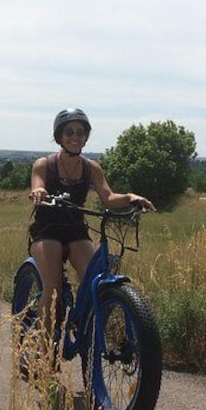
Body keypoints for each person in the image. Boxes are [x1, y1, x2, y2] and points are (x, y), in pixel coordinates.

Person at [28, 108, 155, 355]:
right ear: (59, 136)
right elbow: (38, 184)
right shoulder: (44, 164)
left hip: (76, 230)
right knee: (52, 288)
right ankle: (41, 349)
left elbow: (108, 197)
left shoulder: (91, 168)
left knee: (96, 281)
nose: (75, 136)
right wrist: (39, 192)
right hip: (47, 230)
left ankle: (86, 326)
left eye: (80, 132)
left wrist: (130, 197)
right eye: (69, 132)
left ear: (86, 136)